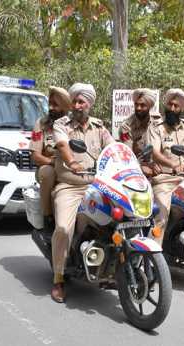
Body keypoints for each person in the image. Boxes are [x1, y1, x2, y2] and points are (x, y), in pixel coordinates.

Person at [50, 83, 114, 303]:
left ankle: (112, 266)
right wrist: (72, 162)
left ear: (90, 104)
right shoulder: (61, 124)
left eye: (81, 102)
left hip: (96, 187)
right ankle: (58, 277)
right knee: (62, 228)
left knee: (119, 219)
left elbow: (113, 150)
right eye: (74, 101)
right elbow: (62, 144)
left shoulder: (100, 128)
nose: (77, 106)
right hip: (70, 186)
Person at [146, 89, 184, 245]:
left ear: (181, 109)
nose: (172, 108)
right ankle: (153, 261)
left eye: (176, 106)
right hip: (164, 181)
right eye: (170, 105)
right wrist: (173, 165)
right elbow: (155, 153)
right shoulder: (157, 127)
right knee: (161, 217)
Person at [29, 86, 71, 233]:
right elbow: (35, 156)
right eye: (50, 104)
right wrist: (53, 162)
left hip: (70, 169)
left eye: (56, 105)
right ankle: (47, 216)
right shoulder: (41, 124)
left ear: (65, 107)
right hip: (48, 167)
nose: (51, 107)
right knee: (48, 173)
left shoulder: (72, 124)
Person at [118, 88, 161, 177]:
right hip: (135, 171)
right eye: (136, 104)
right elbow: (127, 156)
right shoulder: (126, 126)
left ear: (149, 106)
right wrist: (140, 167)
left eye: (142, 105)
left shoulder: (158, 123)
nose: (138, 108)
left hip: (158, 171)